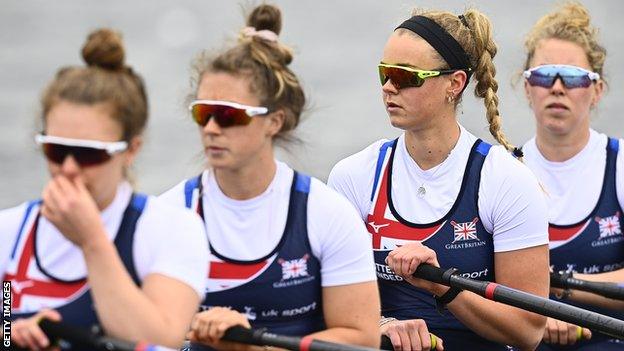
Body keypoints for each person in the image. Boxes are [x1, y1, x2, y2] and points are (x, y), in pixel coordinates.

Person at [159, 4, 380, 350]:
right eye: (203, 113)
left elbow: (360, 340)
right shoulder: (168, 215)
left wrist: (252, 347)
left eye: (228, 115)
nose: (212, 129)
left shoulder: (326, 215)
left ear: (274, 121)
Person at [328, 7, 550, 351]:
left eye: (406, 77)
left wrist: (443, 286)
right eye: (384, 73)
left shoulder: (506, 181)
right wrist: (382, 324)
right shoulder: (354, 176)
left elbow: (527, 331)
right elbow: (333, 301)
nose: (388, 87)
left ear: (454, 83)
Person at [0, 29, 208, 350]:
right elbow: (4, 322)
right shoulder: (9, 231)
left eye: (89, 153)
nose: (68, 167)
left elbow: (159, 341)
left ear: (131, 149)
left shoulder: (173, 229)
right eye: (56, 149)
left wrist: (92, 241)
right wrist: (12, 336)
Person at [520, 2, 624, 349]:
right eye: (545, 75)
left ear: (597, 91)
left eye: (575, 77)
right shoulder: (501, 172)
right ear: (527, 88)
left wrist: (559, 291)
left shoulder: (621, 164)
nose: (558, 88)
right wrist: (539, 315)